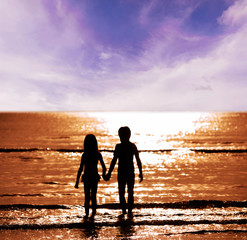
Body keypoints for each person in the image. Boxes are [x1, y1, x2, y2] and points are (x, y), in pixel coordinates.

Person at [105, 126, 143, 215]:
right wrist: (140, 172)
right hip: (128, 172)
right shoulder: (131, 146)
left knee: (124, 193)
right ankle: (127, 211)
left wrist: (109, 173)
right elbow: (137, 160)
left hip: (124, 172)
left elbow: (114, 161)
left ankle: (126, 212)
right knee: (128, 193)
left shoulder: (119, 147)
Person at [75, 134, 106, 218]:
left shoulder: (85, 155)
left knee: (87, 197)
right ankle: (93, 213)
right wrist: (104, 174)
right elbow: (104, 167)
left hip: (87, 177)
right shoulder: (97, 154)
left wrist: (77, 181)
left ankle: (87, 214)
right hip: (94, 177)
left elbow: (81, 168)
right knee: (93, 196)